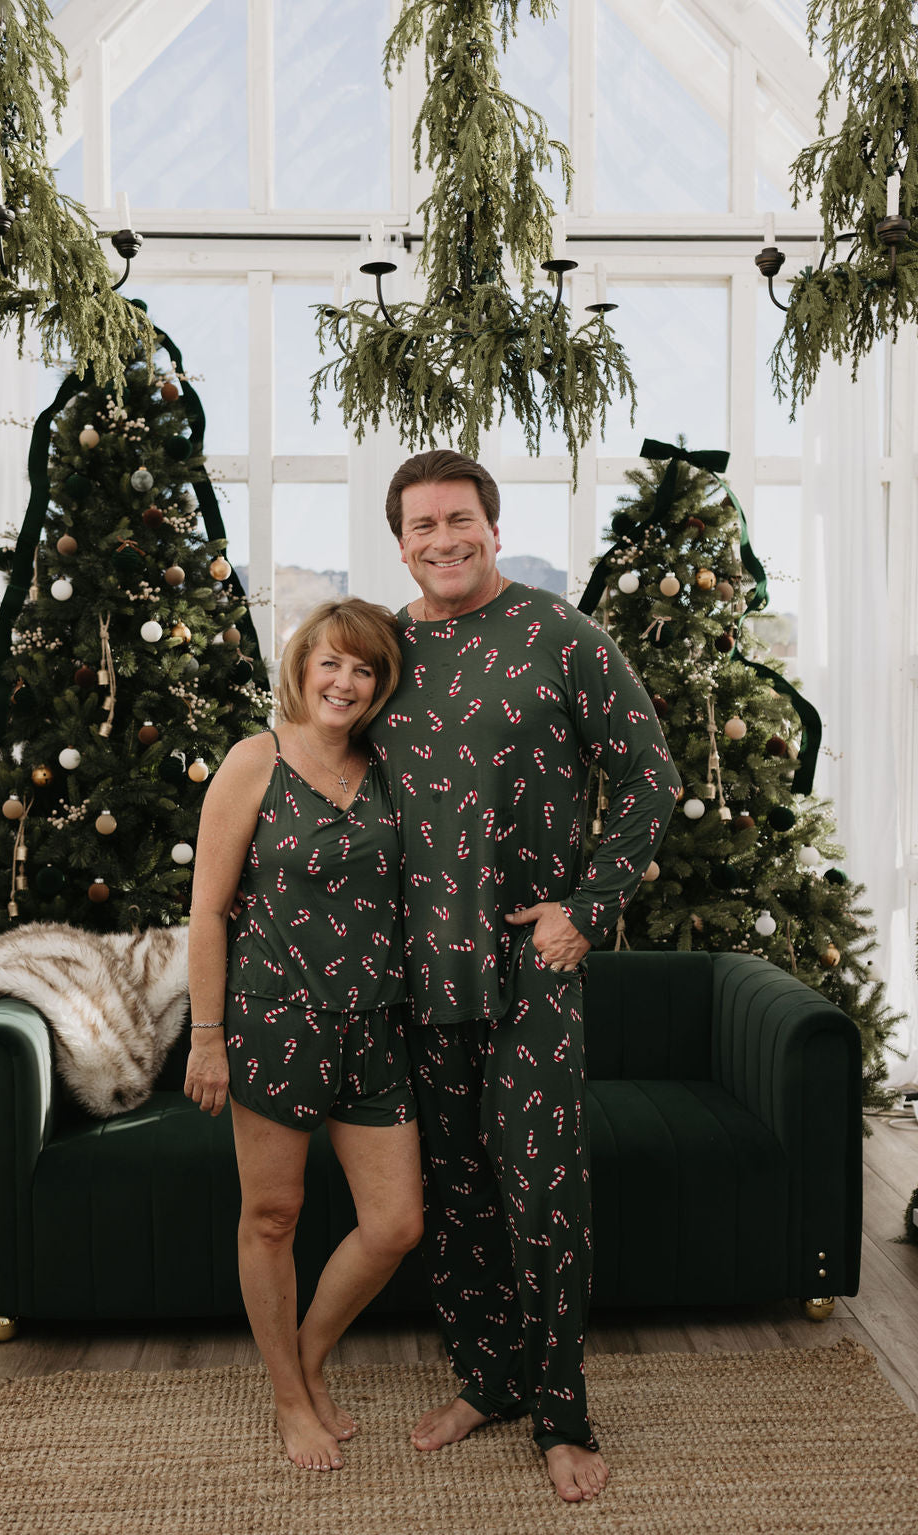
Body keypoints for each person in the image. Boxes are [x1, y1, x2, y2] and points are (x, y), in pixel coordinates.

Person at [367, 449, 681, 1504]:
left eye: (459, 519)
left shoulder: (562, 637)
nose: (441, 539)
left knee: (542, 1195)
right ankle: (487, 1377)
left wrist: (585, 908)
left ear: (494, 528)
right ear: (399, 539)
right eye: (420, 525)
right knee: (452, 1195)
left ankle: (561, 1410)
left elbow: (650, 772)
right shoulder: (382, 647)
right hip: (413, 969)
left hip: (529, 964)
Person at [185, 597, 424, 1473]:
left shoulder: (389, 768)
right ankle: (288, 1395)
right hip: (272, 1021)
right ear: (302, 665)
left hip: (374, 1025)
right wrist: (207, 1037)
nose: (346, 681)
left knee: (396, 1224)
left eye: (365, 669)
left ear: (380, 685)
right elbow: (207, 910)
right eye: (332, 662)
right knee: (274, 1215)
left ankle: (310, 1354)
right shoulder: (256, 761)